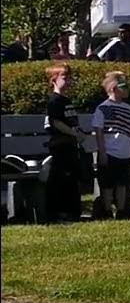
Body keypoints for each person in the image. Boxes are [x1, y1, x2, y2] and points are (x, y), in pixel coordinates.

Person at [92, 71, 130, 219]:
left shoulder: (128, 109)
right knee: (107, 184)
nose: (127, 89)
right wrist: (102, 152)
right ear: (113, 88)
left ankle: (121, 210)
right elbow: (99, 131)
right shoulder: (102, 108)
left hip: (125, 151)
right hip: (110, 151)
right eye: (123, 86)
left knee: (122, 183)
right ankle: (106, 210)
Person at [44, 64, 86, 221]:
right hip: (60, 145)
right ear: (53, 79)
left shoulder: (67, 100)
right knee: (61, 179)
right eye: (64, 77)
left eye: (70, 78)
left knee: (73, 179)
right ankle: (58, 212)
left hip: (71, 145)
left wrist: (79, 131)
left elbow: (72, 120)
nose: (68, 81)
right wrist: (73, 133)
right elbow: (56, 122)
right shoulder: (54, 101)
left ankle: (72, 212)